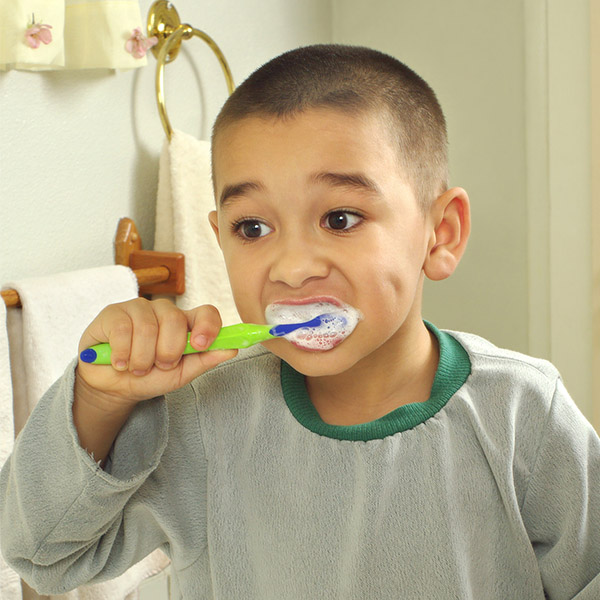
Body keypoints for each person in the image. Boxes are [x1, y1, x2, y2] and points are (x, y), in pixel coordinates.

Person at [2, 44, 599, 599]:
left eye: (340, 218)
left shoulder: (526, 414)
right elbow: (40, 553)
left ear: (439, 234)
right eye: (252, 228)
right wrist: (99, 401)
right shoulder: (198, 416)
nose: (291, 269)